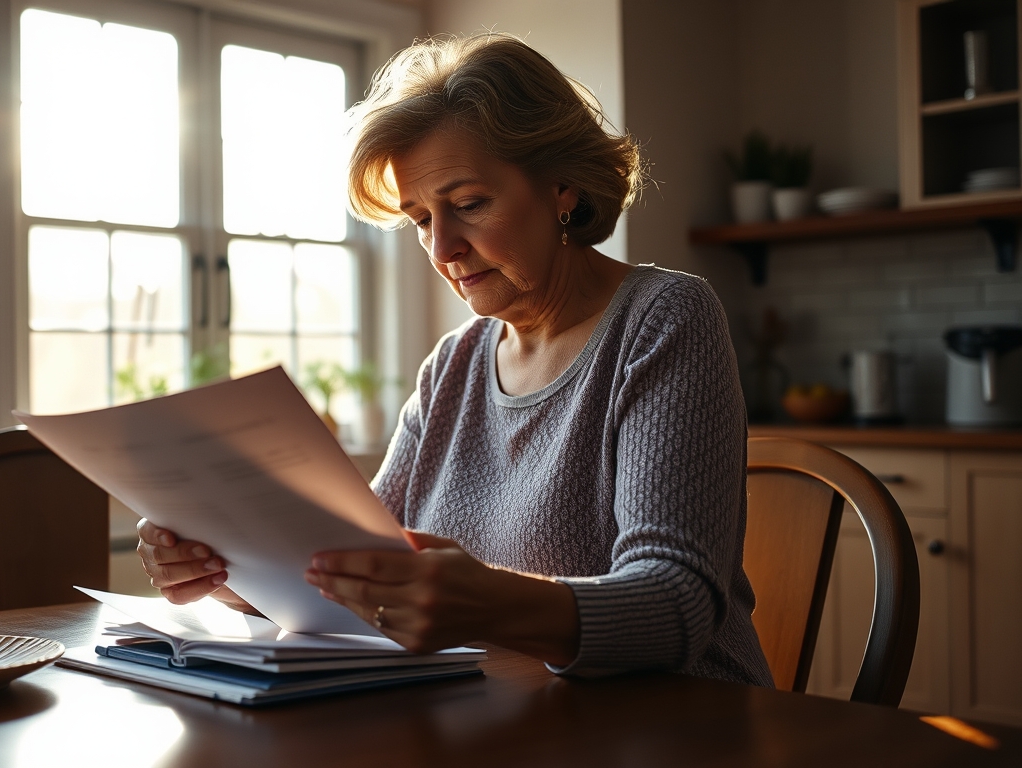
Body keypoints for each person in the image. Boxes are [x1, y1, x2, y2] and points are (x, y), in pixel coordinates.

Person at [138, 33, 774, 687]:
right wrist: (221, 569)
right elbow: (350, 570)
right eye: (420, 219)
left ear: (563, 187)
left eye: (468, 205)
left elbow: (676, 608)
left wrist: (489, 602)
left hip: (683, 723)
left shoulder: (662, 317)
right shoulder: (453, 366)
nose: (443, 248)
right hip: (507, 722)